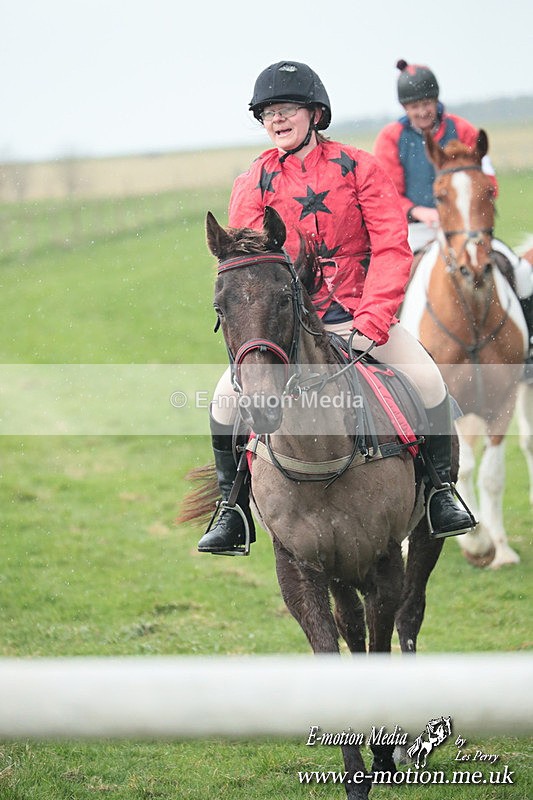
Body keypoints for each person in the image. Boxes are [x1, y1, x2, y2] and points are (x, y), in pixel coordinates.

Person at [197, 60, 475, 555]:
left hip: (359, 316)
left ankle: (439, 491)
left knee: (430, 382)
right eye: (267, 113)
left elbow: (392, 247)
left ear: (315, 112)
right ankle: (232, 508)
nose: (276, 120)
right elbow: (249, 269)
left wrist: (373, 320)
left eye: (286, 109)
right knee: (223, 401)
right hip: (289, 331)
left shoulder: (358, 167)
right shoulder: (255, 180)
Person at [373, 59, 533, 377]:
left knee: (519, 271)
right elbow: (386, 191)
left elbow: (490, 182)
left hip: (465, 228)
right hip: (418, 229)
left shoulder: (464, 130)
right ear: (405, 107)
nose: (421, 112)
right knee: (391, 283)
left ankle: (528, 351)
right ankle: (383, 355)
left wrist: (465, 212)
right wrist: (419, 211)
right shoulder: (391, 138)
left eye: (426, 104)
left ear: (436, 101)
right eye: (414, 106)